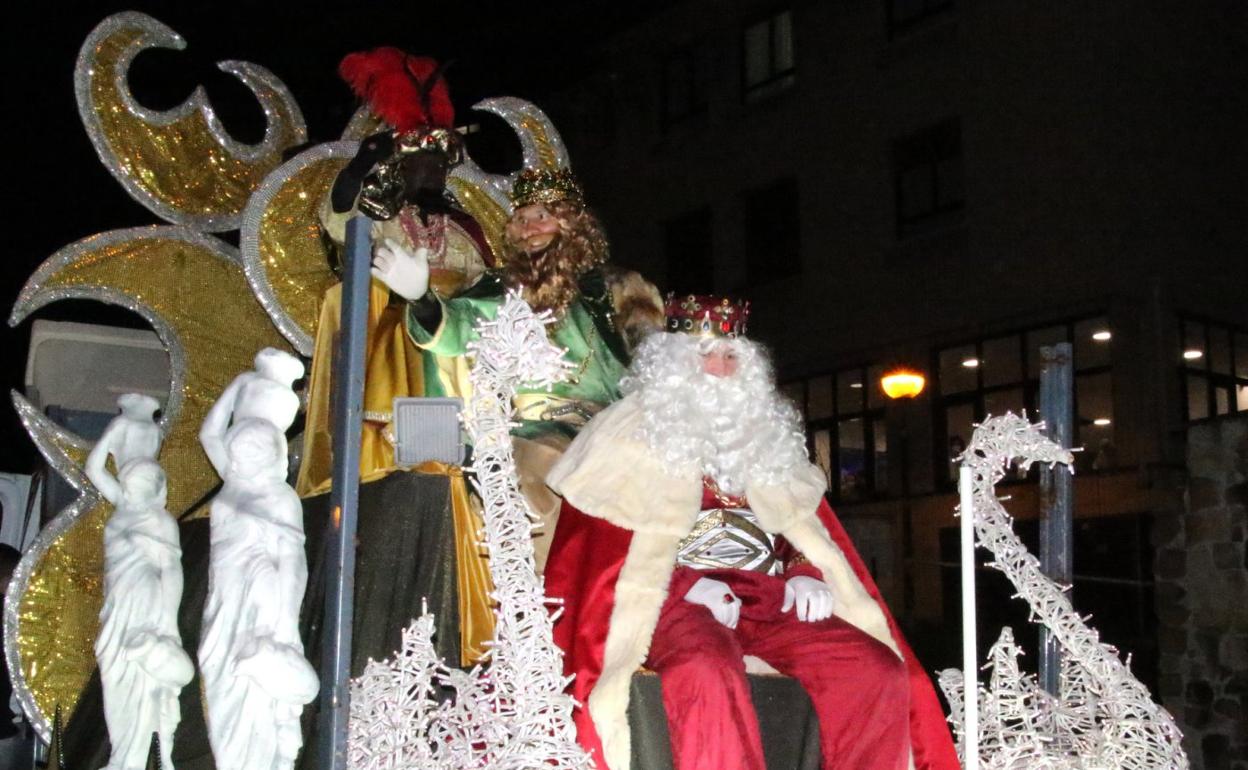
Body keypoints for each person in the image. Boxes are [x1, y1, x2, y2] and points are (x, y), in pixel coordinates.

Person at [543, 295, 960, 770]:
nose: (721, 369)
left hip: (767, 595)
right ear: (672, 362)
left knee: (875, 670)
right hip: (675, 601)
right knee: (705, 670)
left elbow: (793, 525)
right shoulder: (623, 435)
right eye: (705, 354)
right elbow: (606, 552)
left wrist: (803, 570)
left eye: (731, 356)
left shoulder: (763, 434)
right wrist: (685, 585)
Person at [371, 165, 663, 569]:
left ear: (572, 225)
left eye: (542, 216)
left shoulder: (615, 288)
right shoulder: (498, 291)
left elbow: (655, 361)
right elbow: (459, 327)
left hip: (608, 427)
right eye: (521, 219)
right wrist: (421, 299)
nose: (529, 229)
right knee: (519, 468)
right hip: (524, 431)